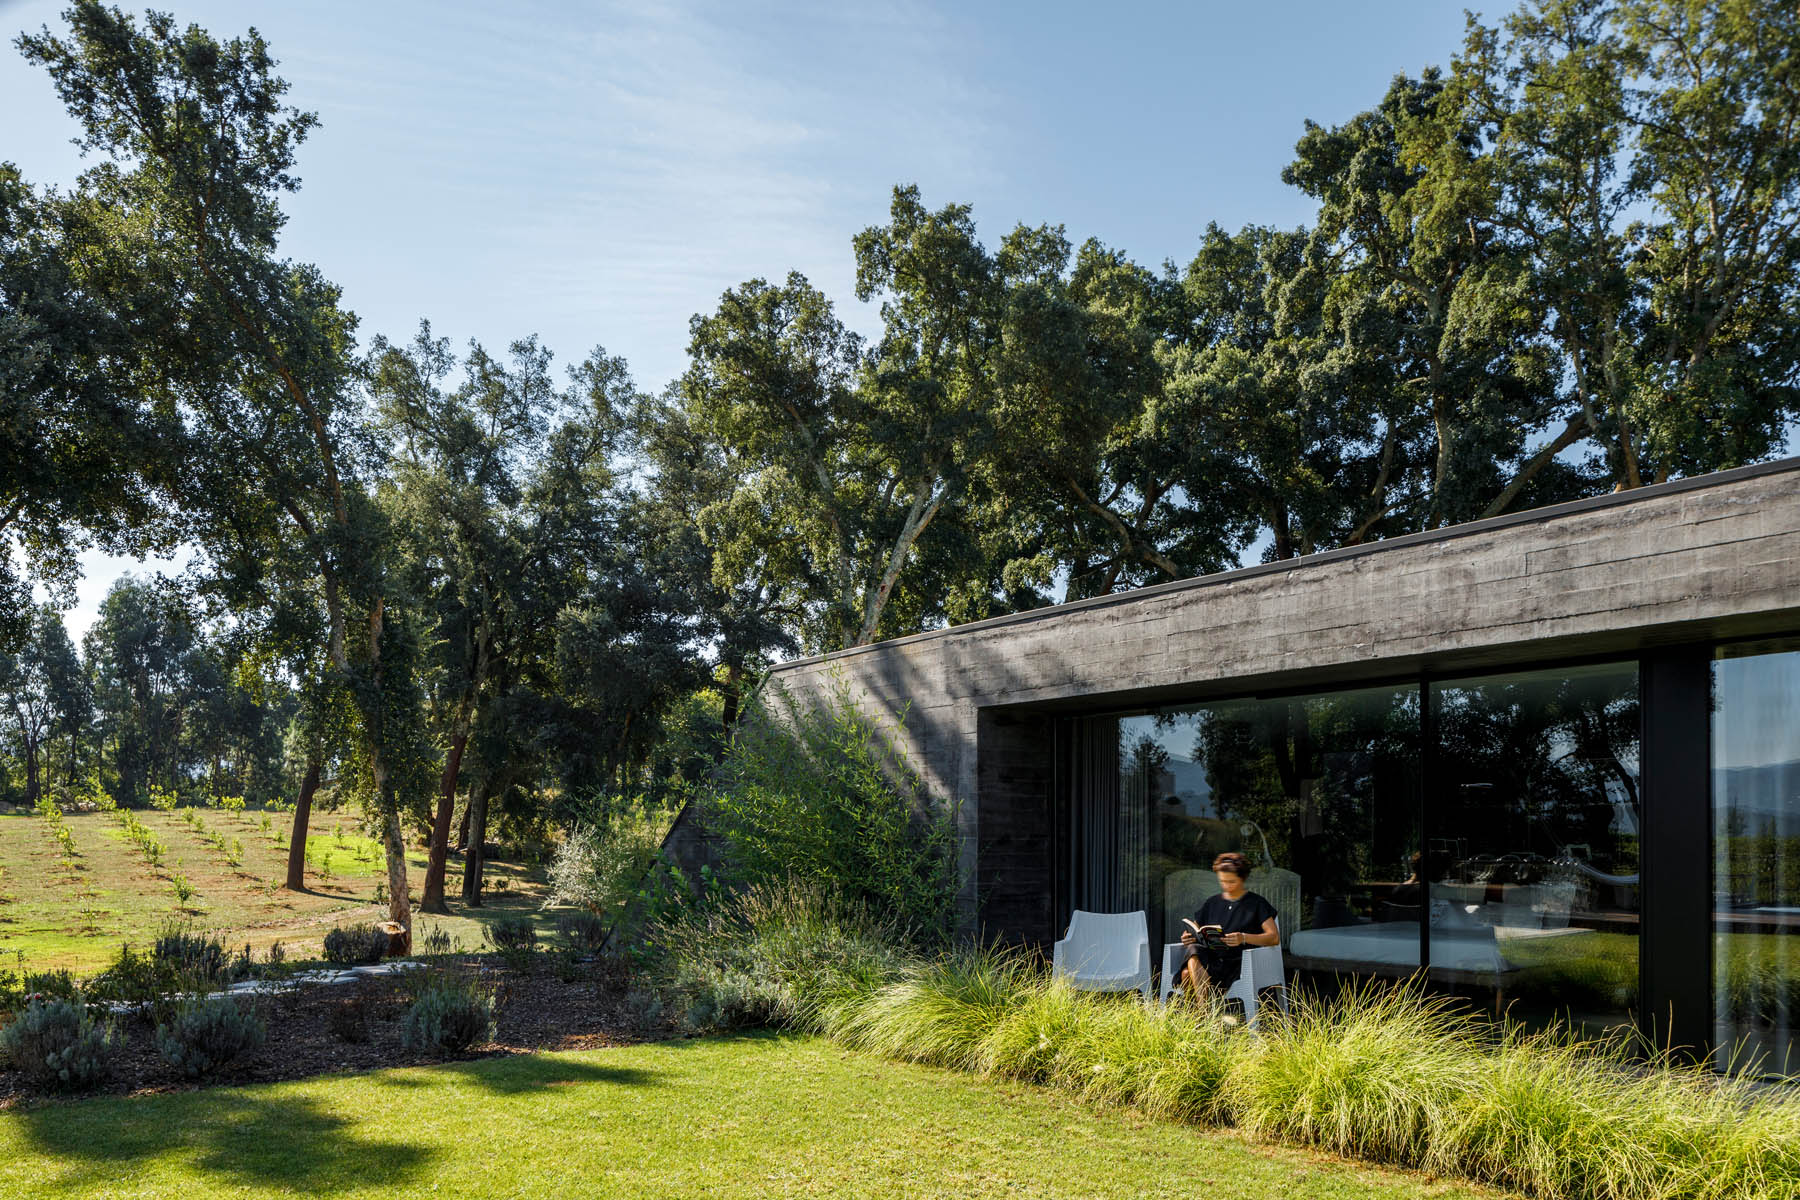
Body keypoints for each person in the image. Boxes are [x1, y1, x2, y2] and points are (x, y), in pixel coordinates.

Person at [1176, 851, 1280, 1000]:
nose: (1226, 886)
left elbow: (1273, 937)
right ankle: (1204, 1013)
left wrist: (1243, 938)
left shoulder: (1256, 903)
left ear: (1242, 879)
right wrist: (1188, 937)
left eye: (1232, 882)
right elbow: (1197, 930)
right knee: (1193, 950)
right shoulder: (1212, 903)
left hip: (1240, 964)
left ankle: (1201, 1015)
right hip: (1213, 959)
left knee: (1186, 974)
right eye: (1223, 881)